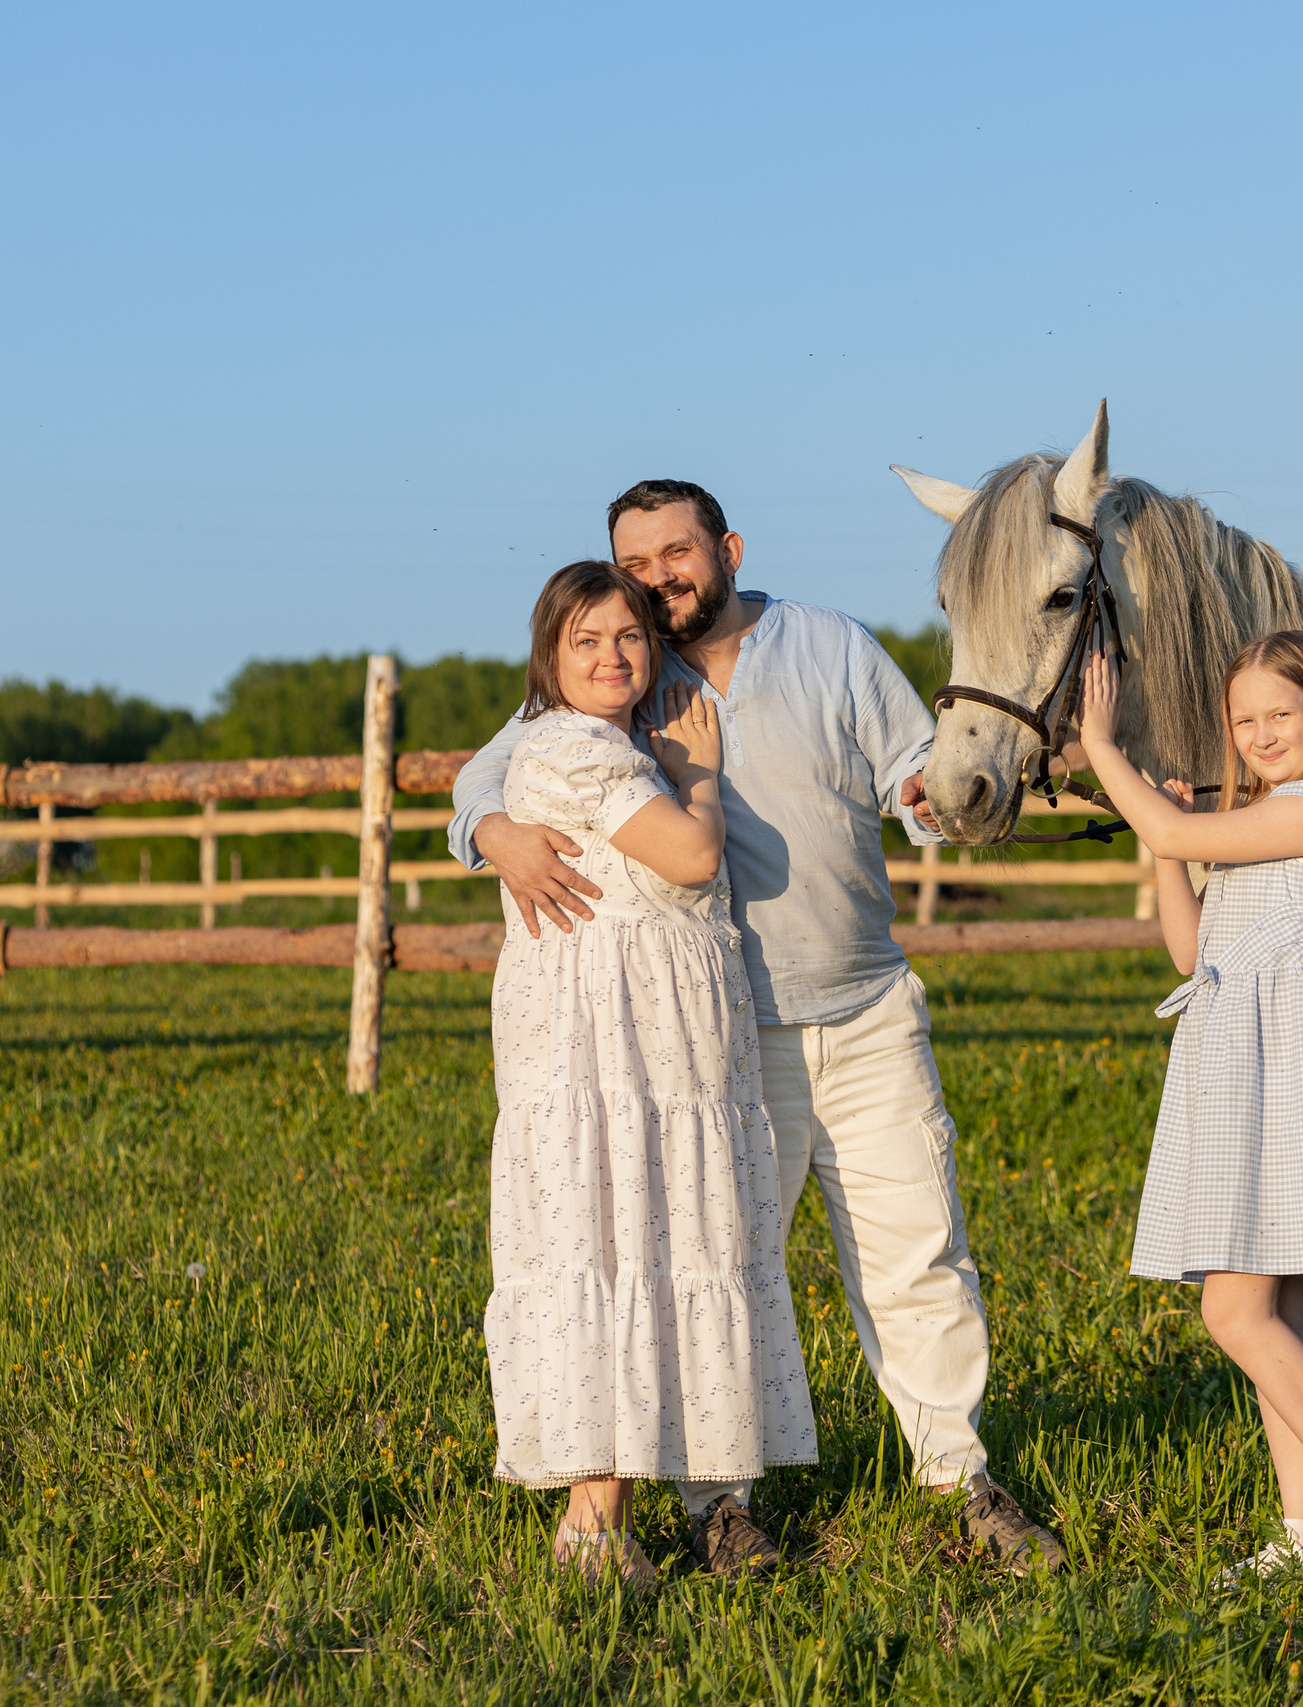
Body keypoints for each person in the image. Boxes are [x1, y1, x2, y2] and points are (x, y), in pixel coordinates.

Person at [452, 480, 1065, 1578]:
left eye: (674, 554)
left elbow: (905, 771)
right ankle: (718, 1503)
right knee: (717, 1263)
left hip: (866, 1003)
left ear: (727, 548)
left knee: (919, 1251)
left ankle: (960, 1479)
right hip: (717, 1042)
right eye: (633, 564)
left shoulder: (829, 645)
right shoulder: (622, 673)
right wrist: (491, 831)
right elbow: (491, 768)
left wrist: (931, 794)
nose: (654, 580)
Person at [482, 558, 816, 1589]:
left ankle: (615, 1518)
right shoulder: (576, 750)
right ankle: (590, 1526)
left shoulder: (620, 744)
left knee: (640, 1243)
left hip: (654, 1046)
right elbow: (687, 857)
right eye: (585, 641)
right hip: (604, 1048)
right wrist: (702, 777)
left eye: (627, 637)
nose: (611, 657)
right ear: (550, 656)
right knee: (608, 1240)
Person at [1077, 631, 1303, 1579]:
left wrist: (1104, 746)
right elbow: (1191, 952)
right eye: (1246, 720)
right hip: (1246, 1066)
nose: (1263, 733)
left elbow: (1175, 832)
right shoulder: (1262, 818)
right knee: (1276, 1318)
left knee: (1232, 1315)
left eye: (1283, 713)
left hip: (1296, 1074)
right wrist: (1167, 849)